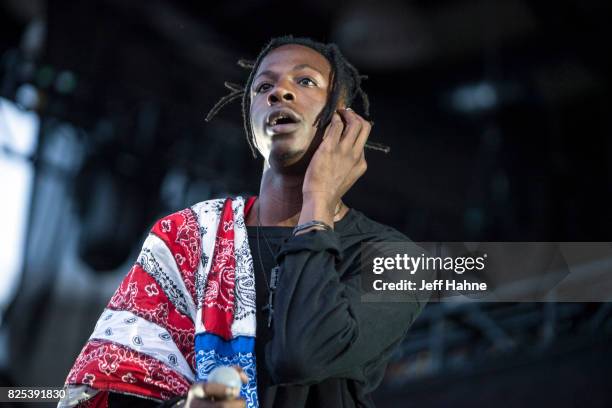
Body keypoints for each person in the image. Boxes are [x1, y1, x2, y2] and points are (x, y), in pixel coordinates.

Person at [60, 36, 427, 408]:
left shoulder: (396, 258)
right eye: (264, 86)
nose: (279, 92)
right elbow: (109, 396)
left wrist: (318, 199)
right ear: (250, 122)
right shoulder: (185, 237)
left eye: (305, 82)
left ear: (344, 121)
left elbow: (301, 355)